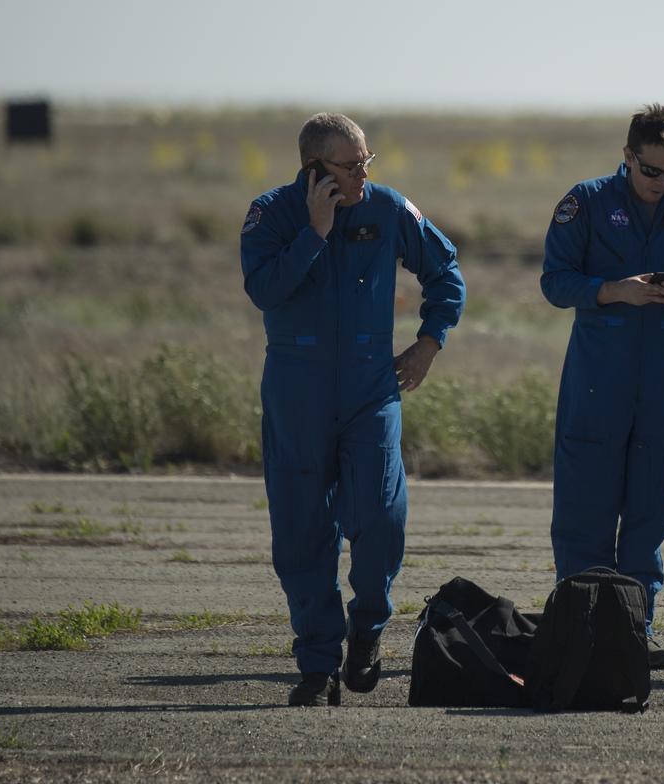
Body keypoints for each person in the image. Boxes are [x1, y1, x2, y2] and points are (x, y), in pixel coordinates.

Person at [240, 113, 466, 705]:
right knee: (302, 533)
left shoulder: (388, 208)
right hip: (298, 391)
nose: (362, 173)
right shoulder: (271, 214)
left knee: (382, 518)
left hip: (370, 389)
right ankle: (318, 667)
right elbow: (264, 289)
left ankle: (367, 627)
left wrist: (429, 341)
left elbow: (446, 271)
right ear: (314, 169)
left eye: (367, 160)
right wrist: (314, 231)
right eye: (349, 165)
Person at [541, 104, 664, 669]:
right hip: (597, 380)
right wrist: (611, 291)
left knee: (650, 513)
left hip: (663, 382)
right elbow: (555, 281)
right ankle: (580, 629)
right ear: (627, 157)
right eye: (651, 171)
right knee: (585, 511)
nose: (661, 183)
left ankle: (632, 631)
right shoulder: (587, 200)